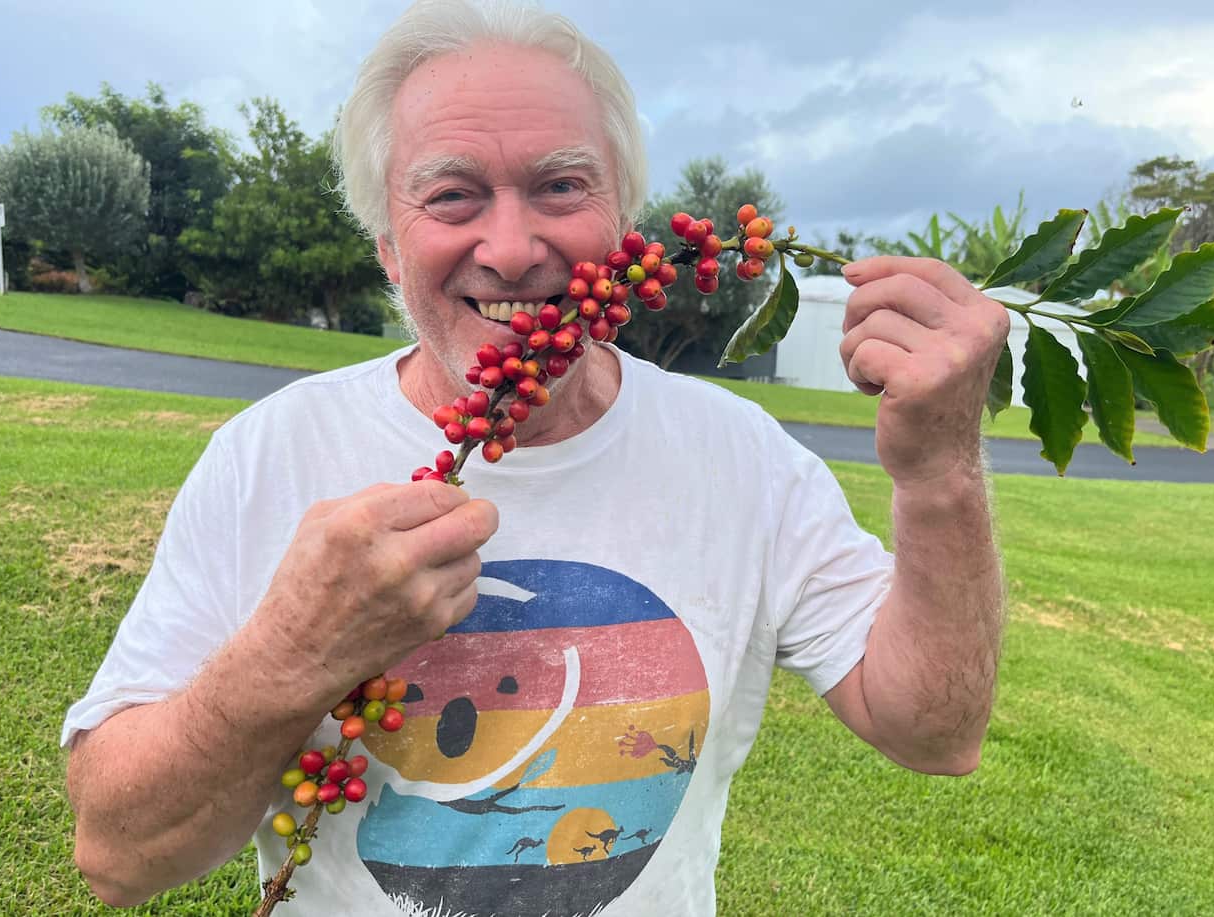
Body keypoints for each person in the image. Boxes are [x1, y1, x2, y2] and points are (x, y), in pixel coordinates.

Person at [62, 1, 1008, 914]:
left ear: (625, 221)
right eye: (452, 195)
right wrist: (294, 653)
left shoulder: (742, 458)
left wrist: (940, 474)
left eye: (561, 186)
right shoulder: (267, 456)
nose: (512, 251)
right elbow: (118, 857)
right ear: (389, 246)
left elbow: (937, 729)